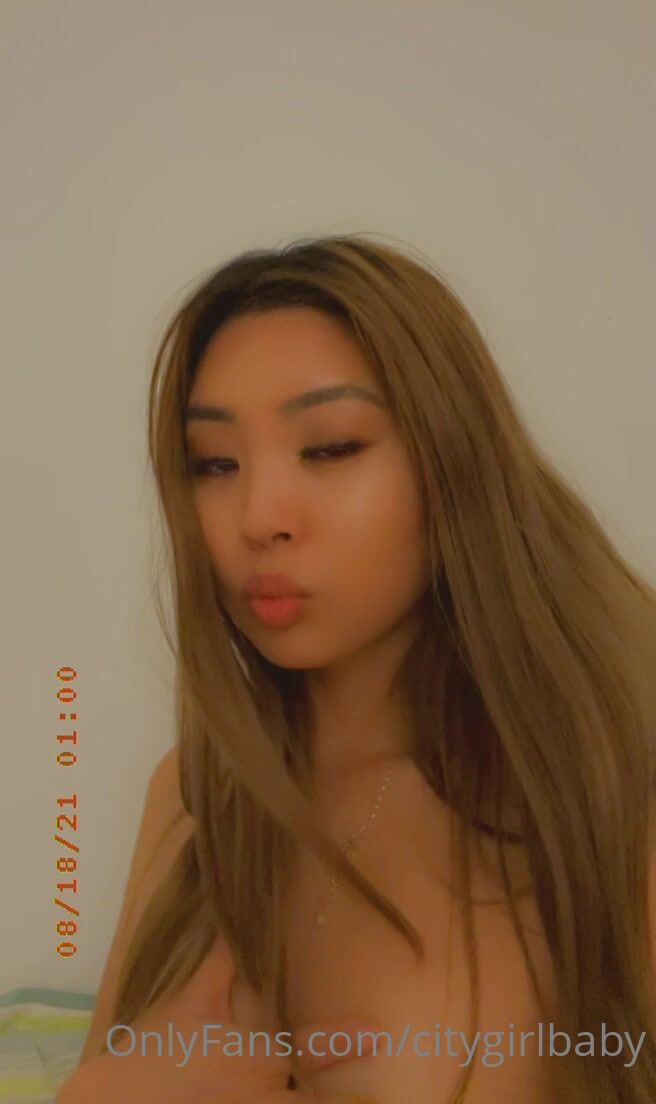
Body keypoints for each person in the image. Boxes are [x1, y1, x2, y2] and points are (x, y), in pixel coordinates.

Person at [58, 233, 656, 1103]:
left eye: (331, 448)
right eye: (214, 463)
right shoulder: (192, 795)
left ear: (454, 463)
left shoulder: (605, 784)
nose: (258, 515)